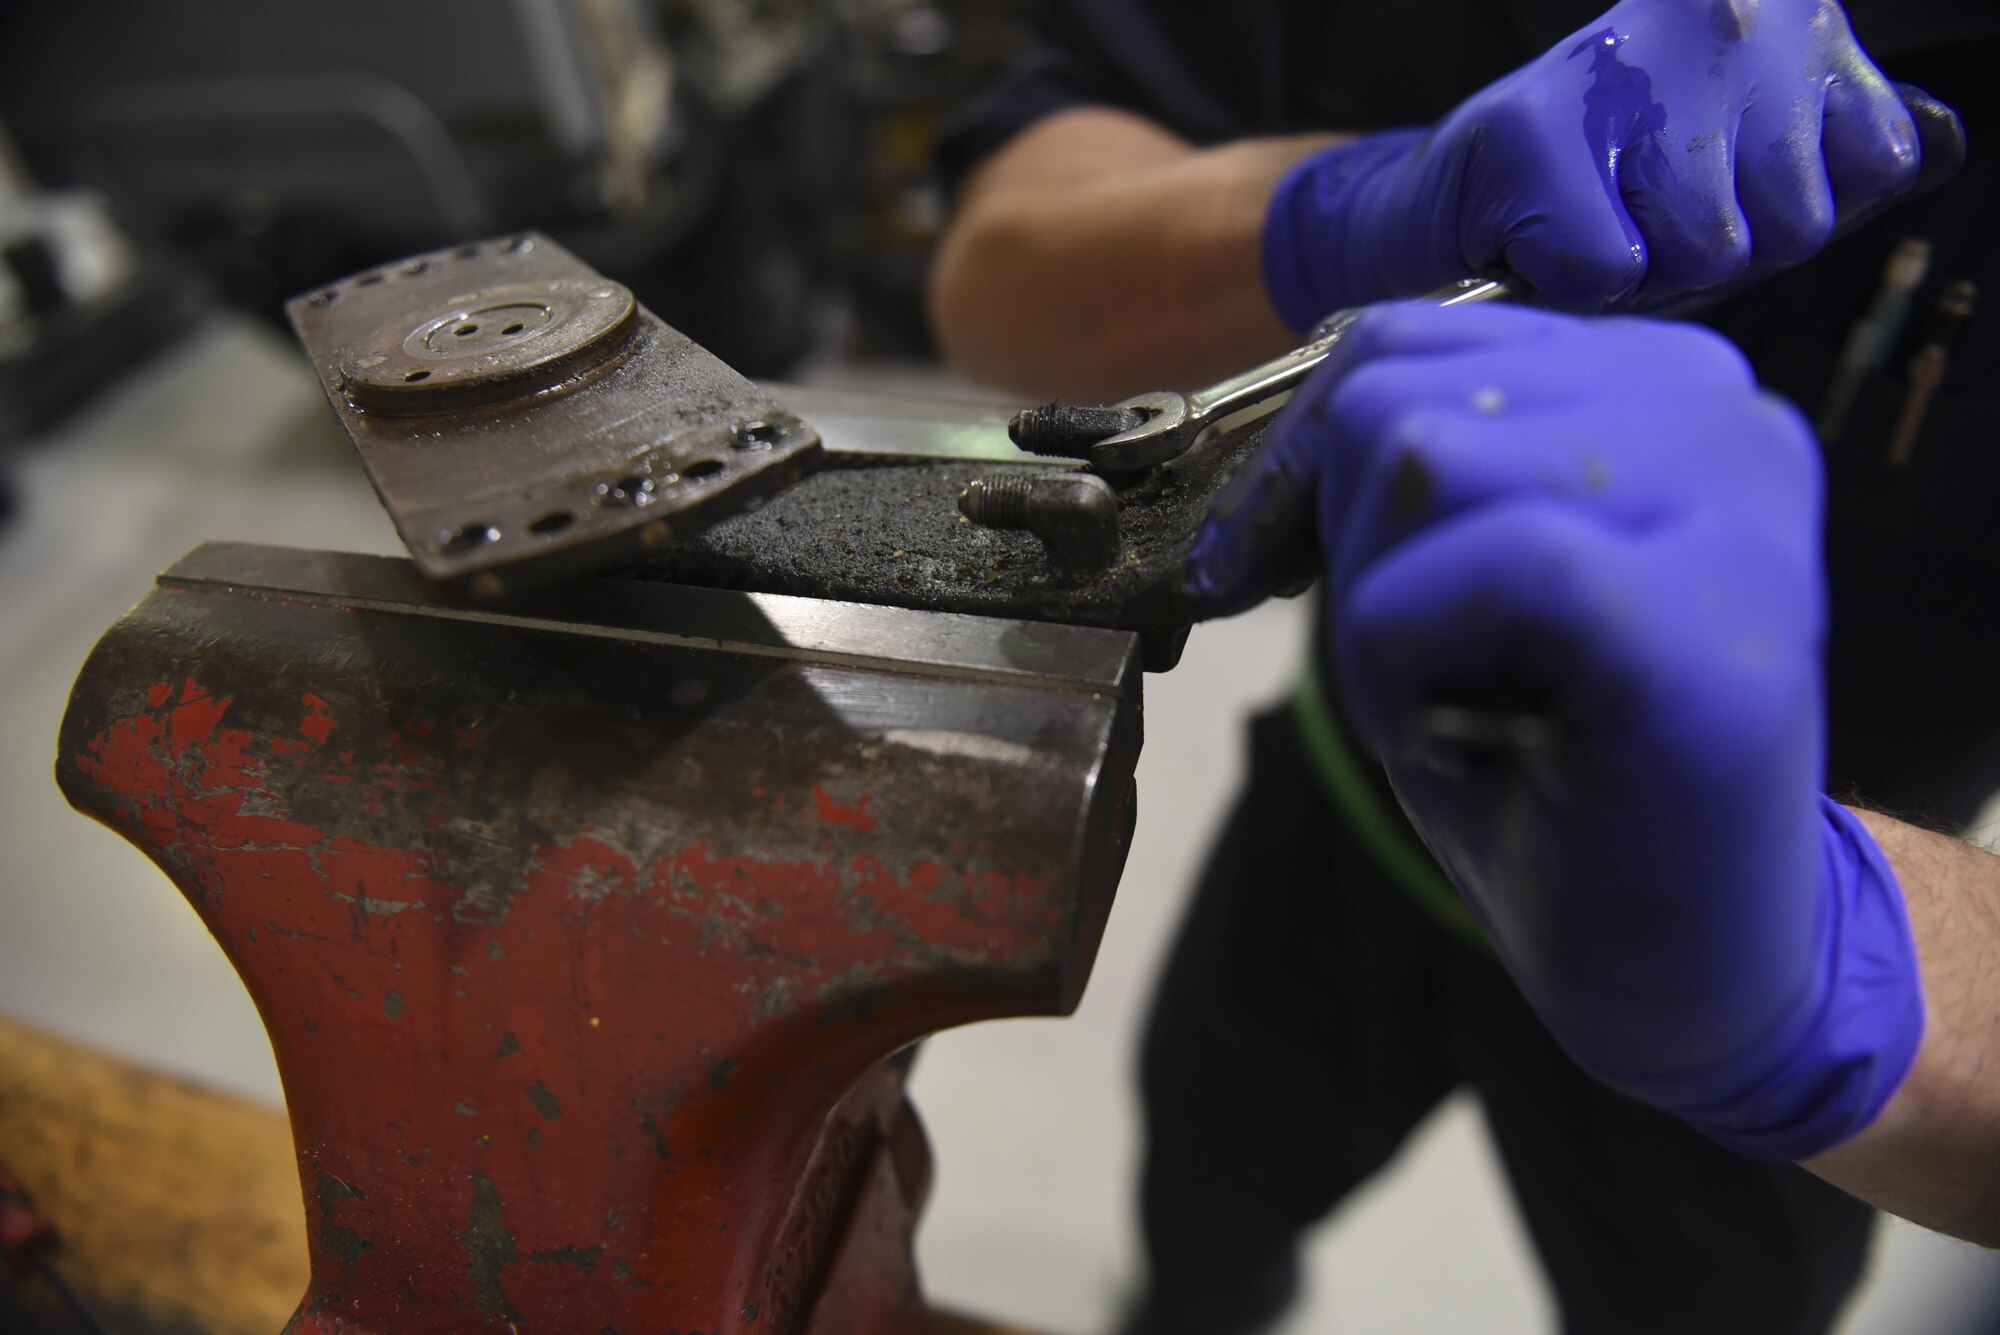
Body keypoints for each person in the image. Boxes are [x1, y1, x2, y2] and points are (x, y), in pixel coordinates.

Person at [927, 1, 2000, 1332]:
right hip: (1345, 836)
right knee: (1205, 1226)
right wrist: (1348, 209)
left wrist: (1853, 972)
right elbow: (997, 270)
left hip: (1798, 1003)